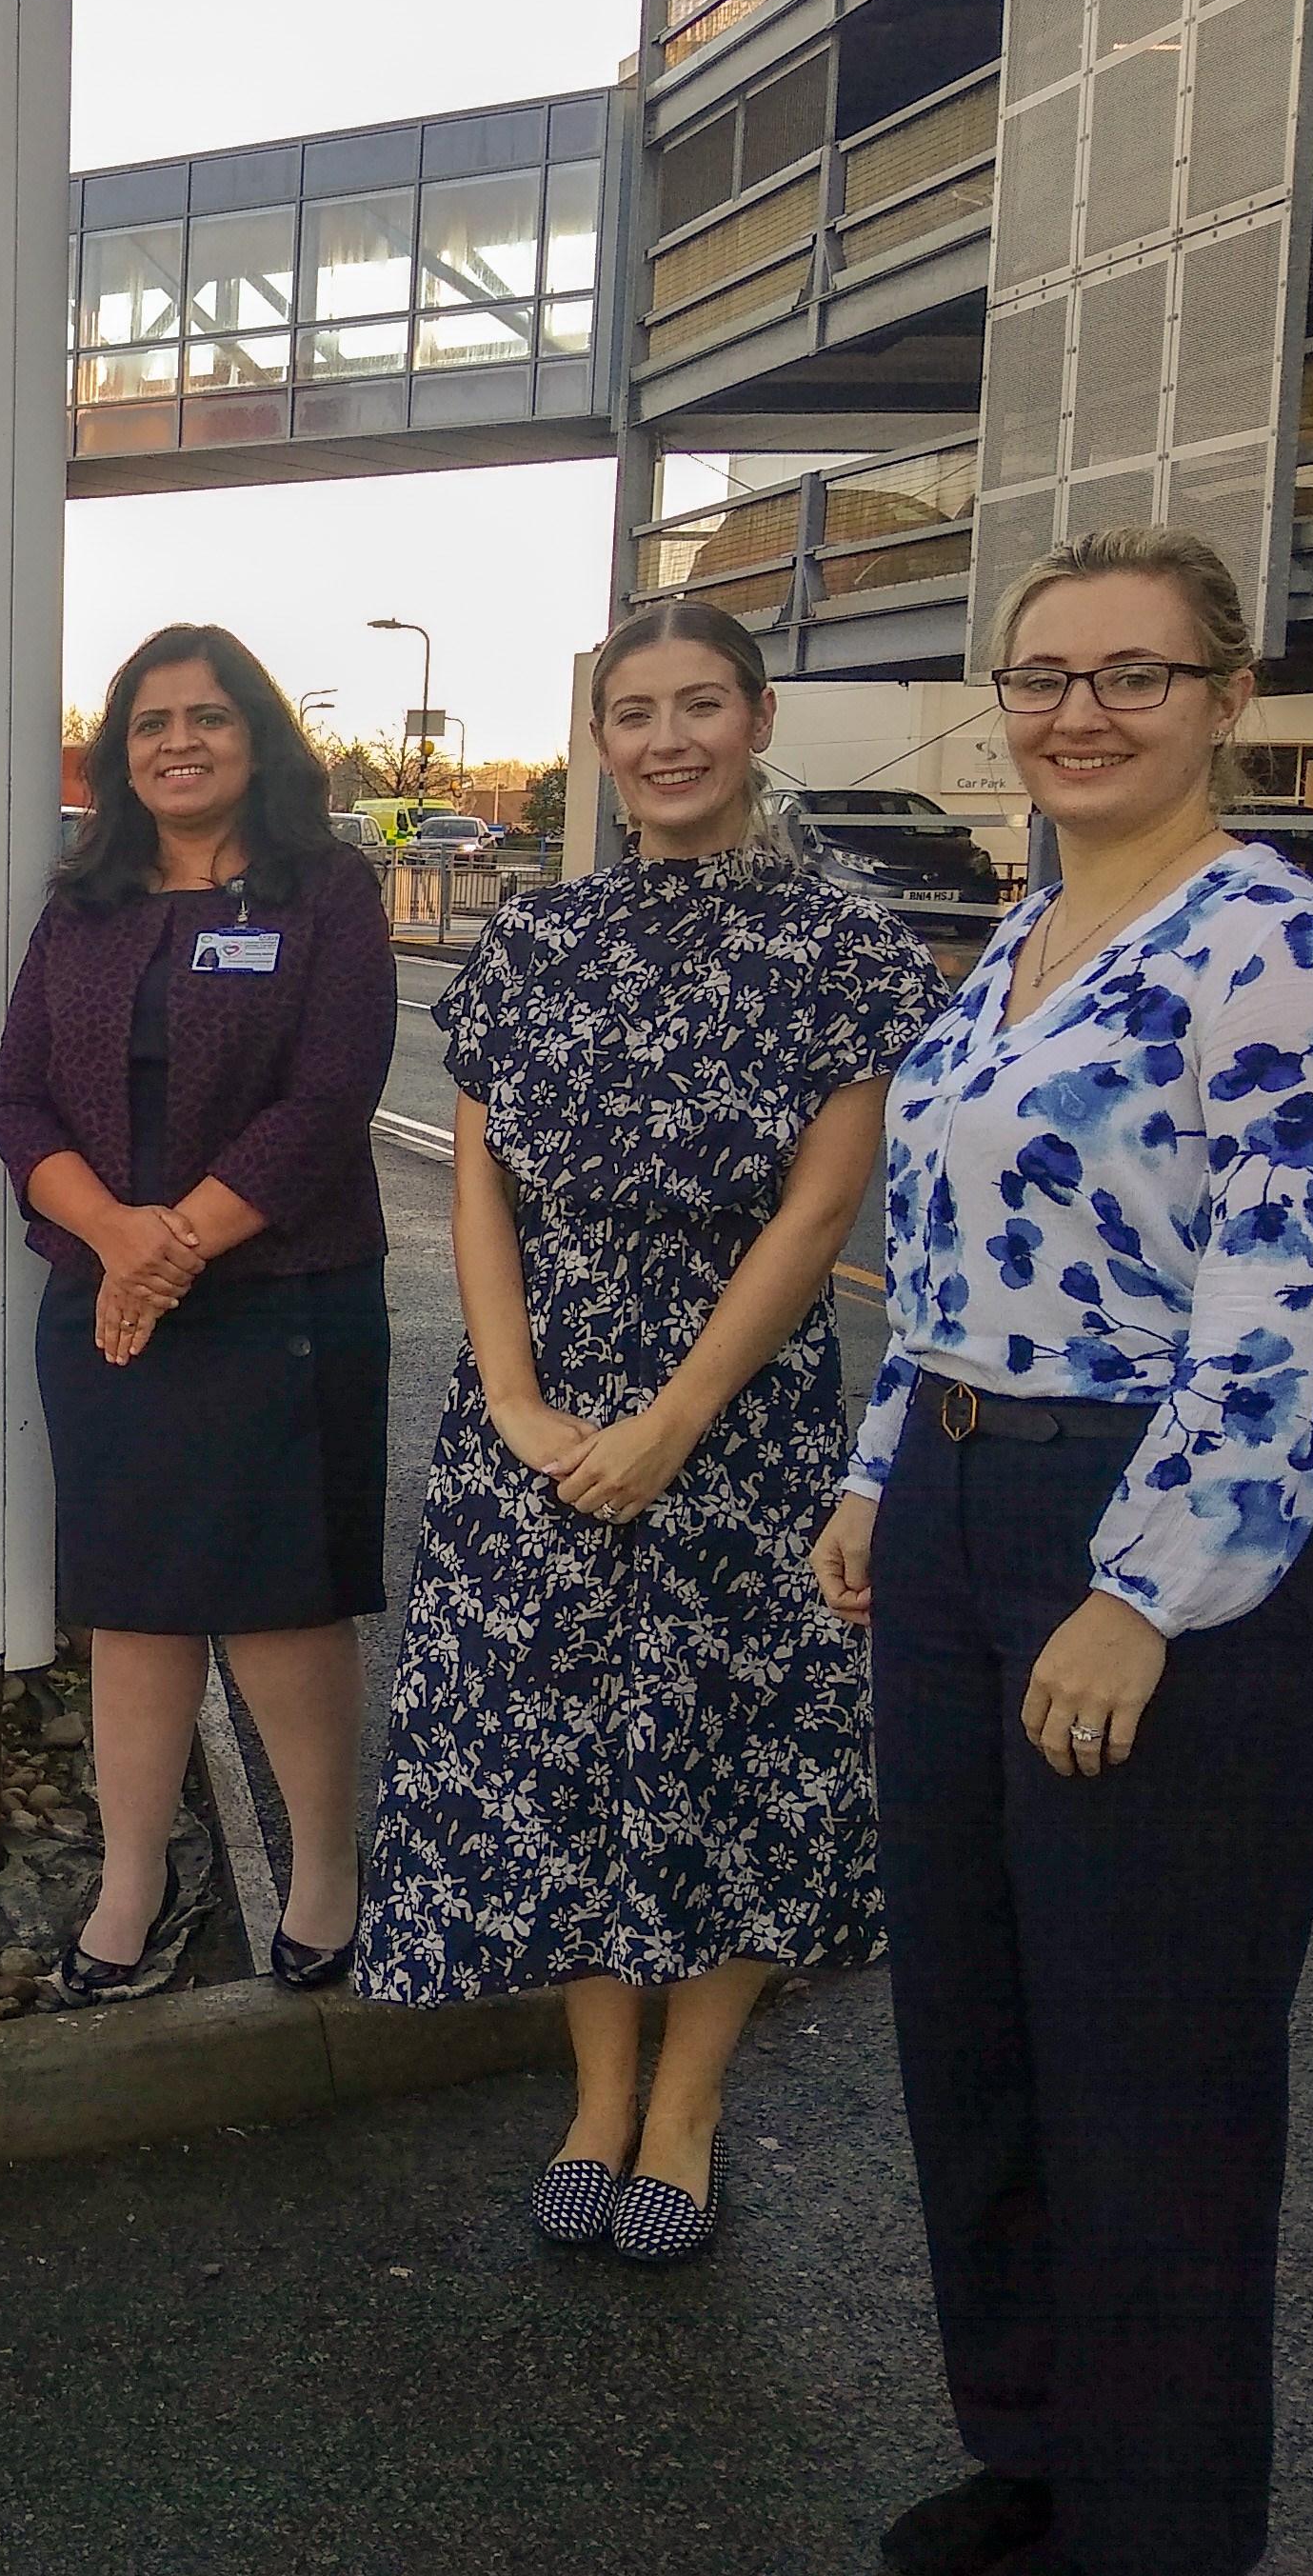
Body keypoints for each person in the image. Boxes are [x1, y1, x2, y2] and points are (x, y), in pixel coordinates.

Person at [816, 529, 1313, 2576]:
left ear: (1219, 699)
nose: (1076, 711)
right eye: (1042, 674)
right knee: (972, 2044)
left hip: (1161, 1544)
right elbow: (954, 1263)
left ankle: (1153, 2540)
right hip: (967, 1517)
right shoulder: (1014, 946)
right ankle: (1039, 2454)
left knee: (1145, 2078)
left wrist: (1140, 1589)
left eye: (1129, 676)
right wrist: (885, 1469)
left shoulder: (1280, 954)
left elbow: (1281, 1320)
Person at [355, 597, 942, 2265]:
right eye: (634, 712)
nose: (667, 739)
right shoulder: (536, 936)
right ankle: (597, 2094)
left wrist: (678, 1418)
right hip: (529, 1415)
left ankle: (687, 2108)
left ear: (755, 722)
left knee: (724, 1750)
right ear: (599, 743)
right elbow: (476, 1188)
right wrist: (524, 1404)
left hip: (737, 1414)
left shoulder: (846, 948)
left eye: (700, 705)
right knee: (553, 1757)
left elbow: (824, 1215)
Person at [0, 624, 393, 2004]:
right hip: (108, 1304)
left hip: (281, 1300)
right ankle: (133, 1881)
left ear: (258, 737)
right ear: (120, 755)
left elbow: (329, 1099)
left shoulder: (326, 892)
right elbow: (16, 1103)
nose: (179, 741)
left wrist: (173, 1252)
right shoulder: (82, 907)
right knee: (135, 1608)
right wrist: (114, 1240)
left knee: (284, 1609)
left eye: (209, 717)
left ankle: (329, 1868)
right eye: (151, 721)